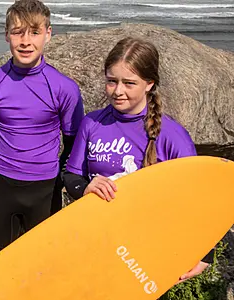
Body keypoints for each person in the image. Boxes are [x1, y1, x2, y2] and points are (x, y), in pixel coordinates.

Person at [63, 37, 213, 283]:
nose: (118, 91)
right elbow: (71, 176)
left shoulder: (172, 136)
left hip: (146, 249)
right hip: (97, 240)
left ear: (149, 84)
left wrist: (204, 253)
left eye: (129, 83)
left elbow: (196, 200)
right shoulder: (92, 123)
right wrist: (85, 188)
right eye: (111, 81)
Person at [0, 0, 84, 255]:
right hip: (2, 187)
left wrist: (55, 176)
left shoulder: (64, 88)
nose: (25, 41)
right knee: (1, 261)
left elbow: (73, 143)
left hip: (44, 189)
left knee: (43, 262)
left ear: (48, 33)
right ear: (6, 35)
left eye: (34, 32)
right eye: (17, 32)